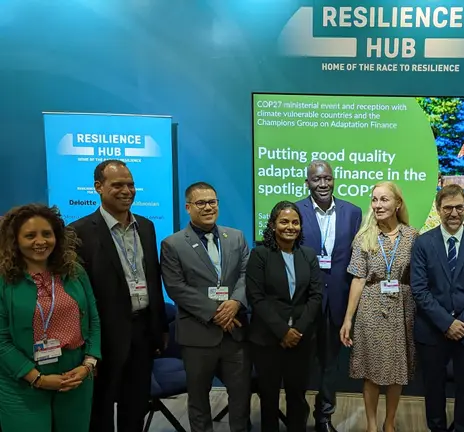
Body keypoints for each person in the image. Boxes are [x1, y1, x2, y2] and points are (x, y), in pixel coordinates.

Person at [70, 159, 168, 432]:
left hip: (143, 331)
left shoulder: (146, 227)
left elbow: (152, 279)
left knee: (135, 406)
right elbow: (80, 296)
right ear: (98, 187)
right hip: (105, 337)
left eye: (131, 184)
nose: (127, 190)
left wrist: (159, 327)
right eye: (118, 185)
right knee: (99, 409)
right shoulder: (78, 232)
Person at [0, 204, 100, 431]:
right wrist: (38, 378)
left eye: (47, 234)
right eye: (30, 235)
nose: (40, 241)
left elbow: (93, 320)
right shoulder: (4, 280)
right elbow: (1, 340)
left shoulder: (74, 271)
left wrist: (88, 364)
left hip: (75, 377)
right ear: (15, 240)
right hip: (22, 381)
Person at [160, 182, 251, 432]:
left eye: (212, 202)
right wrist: (215, 313)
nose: (208, 207)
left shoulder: (236, 237)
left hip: (235, 334)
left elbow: (246, 274)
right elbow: (176, 288)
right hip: (197, 336)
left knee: (240, 398)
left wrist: (235, 302)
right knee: (199, 400)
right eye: (201, 203)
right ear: (188, 207)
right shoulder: (173, 244)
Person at [411, 184, 464, 432]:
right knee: (433, 388)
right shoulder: (423, 243)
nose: (454, 213)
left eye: (459, 207)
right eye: (448, 208)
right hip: (432, 331)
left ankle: (462, 428)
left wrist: (461, 323)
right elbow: (419, 289)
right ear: (438, 209)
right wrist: (447, 323)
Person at [340, 181, 419, 432]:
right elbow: (358, 278)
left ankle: (390, 423)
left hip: (402, 308)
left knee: (397, 369)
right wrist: (348, 319)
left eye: (384, 199)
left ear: (398, 204)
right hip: (371, 308)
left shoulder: (412, 236)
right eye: (374, 199)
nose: (378, 205)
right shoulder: (365, 237)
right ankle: (372, 425)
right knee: (371, 370)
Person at [295, 160, 362, 432]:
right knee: (299, 365)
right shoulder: (295, 211)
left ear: (334, 180)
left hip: (337, 300)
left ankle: (324, 417)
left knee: (330, 365)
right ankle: (297, 417)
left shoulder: (353, 212)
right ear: (307, 183)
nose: (322, 184)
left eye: (327, 179)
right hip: (303, 302)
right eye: (316, 179)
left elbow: (357, 257)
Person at [246, 201, 323, 432]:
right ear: (272, 225)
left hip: (301, 339)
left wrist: (296, 331)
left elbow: (316, 296)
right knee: (268, 397)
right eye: (284, 222)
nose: (290, 227)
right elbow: (256, 297)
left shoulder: (308, 255)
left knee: (297, 397)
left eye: (295, 222)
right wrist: (282, 331)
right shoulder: (260, 254)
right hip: (267, 340)